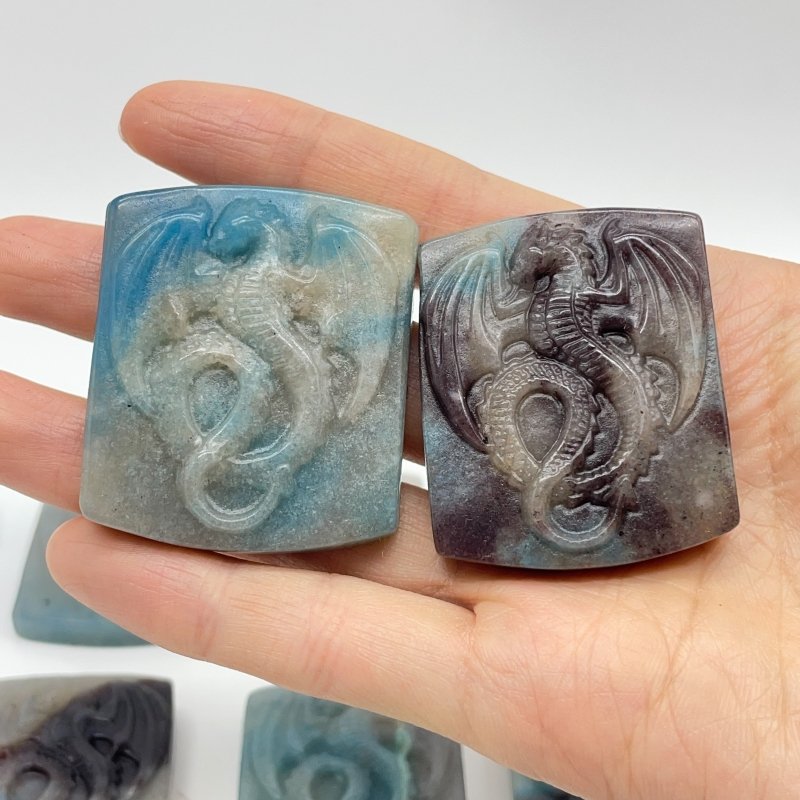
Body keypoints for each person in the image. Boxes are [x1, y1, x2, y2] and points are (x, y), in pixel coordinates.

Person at [0, 81, 796, 799]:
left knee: (536, 411)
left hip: (577, 389)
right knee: (443, 400)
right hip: (300, 378)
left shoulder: (609, 287)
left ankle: (577, 487)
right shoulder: (245, 274)